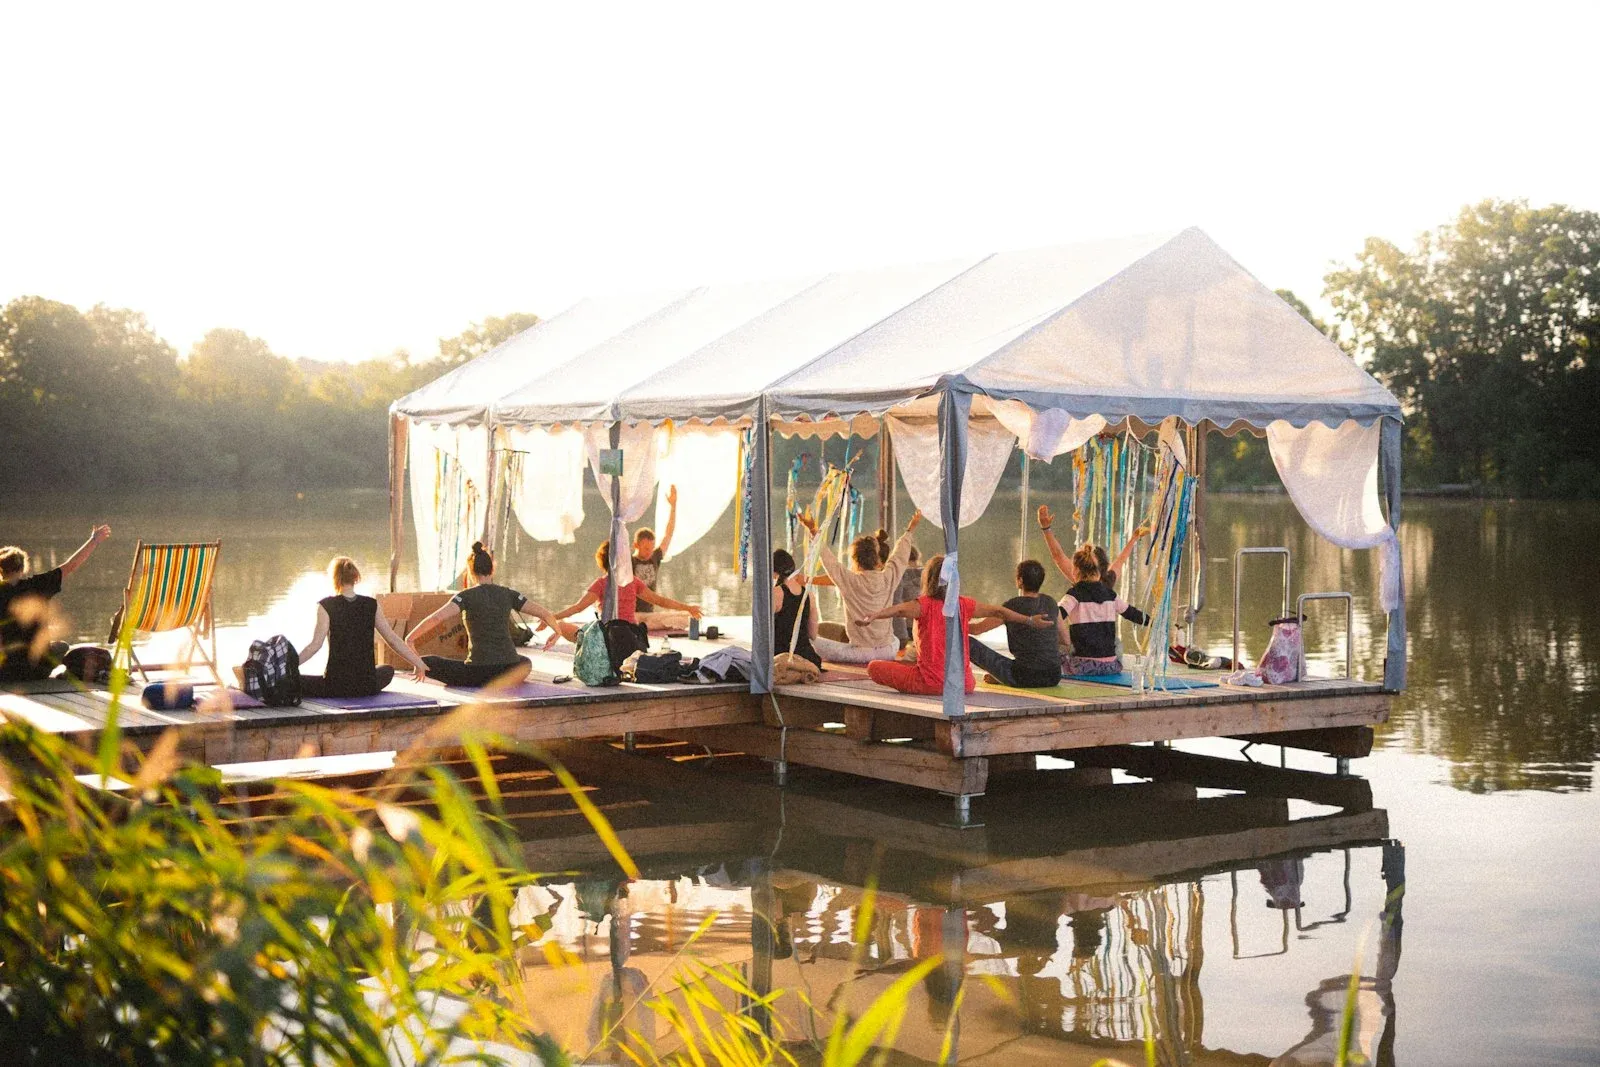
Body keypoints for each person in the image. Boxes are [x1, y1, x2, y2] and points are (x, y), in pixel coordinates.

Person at [858, 554, 1052, 696]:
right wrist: (1028, 620)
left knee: (874, 667)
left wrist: (875, 616)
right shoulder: (963, 604)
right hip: (964, 685)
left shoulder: (923, 605)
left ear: (929, 579)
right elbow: (998, 612)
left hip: (929, 683)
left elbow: (898, 610)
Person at [405, 542, 559, 688]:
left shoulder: (465, 596)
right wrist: (557, 632)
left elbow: (437, 618)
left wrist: (410, 639)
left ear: (471, 572)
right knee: (525, 662)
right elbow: (544, 613)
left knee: (426, 662)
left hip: (478, 673)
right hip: (508, 669)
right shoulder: (508, 594)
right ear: (492, 569)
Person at [297, 556, 429, 697]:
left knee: (297, 680)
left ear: (334, 579)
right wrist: (418, 663)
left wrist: (290, 666)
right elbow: (392, 639)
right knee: (387, 670)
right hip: (366, 686)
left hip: (335, 686)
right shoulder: (371, 604)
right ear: (356, 578)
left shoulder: (325, 606)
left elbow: (314, 646)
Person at [800, 510, 921, 664]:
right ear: (877, 559)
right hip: (888, 651)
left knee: (812, 643)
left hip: (859, 654)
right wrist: (910, 529)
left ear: (855, 560)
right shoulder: (888, 577)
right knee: (895, 640)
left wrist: (812, 530)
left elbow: (828, 559)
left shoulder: (849, 580)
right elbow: (900, 555)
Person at [1, 524, 111, 685]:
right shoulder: (39, 584)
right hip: (37, 670)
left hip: (5, 673)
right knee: (61, 646)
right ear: (23, 568)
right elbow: (71, 565)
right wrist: (94, 540)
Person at [550, 540, 704, 637]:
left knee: (563, 626)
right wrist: (688, 608)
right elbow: (659, 600)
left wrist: (551, 617)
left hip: (609, 636)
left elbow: (577, 608)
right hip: (632, 635)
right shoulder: (633, 582)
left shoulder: (601, 584)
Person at [966, 559, 1062, 688]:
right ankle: (1001, 676)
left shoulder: (1012, 606)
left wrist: (951, 626)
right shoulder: (1051, 602)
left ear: (1020, 581)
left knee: (965, 642)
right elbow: (1065, 640)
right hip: (1054, 676)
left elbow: (977, 630)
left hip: (1023, 676)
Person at [1057, 544, 1150, 677]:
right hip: (1111, 666)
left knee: (1060, 646)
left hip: (1082, 666)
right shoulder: (1110, 595)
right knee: (1116, 642)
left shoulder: (1074, 594)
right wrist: (1153, 621)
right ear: (1101, 571)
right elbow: (1132, 614)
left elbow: (1057, 616)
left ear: (1075, 570)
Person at [1037, 504, 1148, 591]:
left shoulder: (1080, 584)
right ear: (1104, 567)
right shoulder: (1107, 582)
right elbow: (1121, 560)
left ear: (1077, 570)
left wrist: (1046, 528)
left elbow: (1058, 556)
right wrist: (1134, 538)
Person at [630, 484, 677, 621]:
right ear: (636, 545)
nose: (649, 552)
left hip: (649, 612)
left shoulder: (655, 557)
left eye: (651, 548)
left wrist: (673, 506)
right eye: (645, 548)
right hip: (631, 612)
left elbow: (668, 534)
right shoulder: (629, 562)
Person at [771, 549, 820, 668]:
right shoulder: (809, 595)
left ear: (773, 572)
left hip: (781, 656)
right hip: (807, 657)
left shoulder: (775, 593)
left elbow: (763, 634)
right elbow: (813, 635)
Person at [891, 544, 922, 648]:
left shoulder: (899, 575)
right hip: (924, 627)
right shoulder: (928, 575)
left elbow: (895, 603)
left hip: (906, 630)